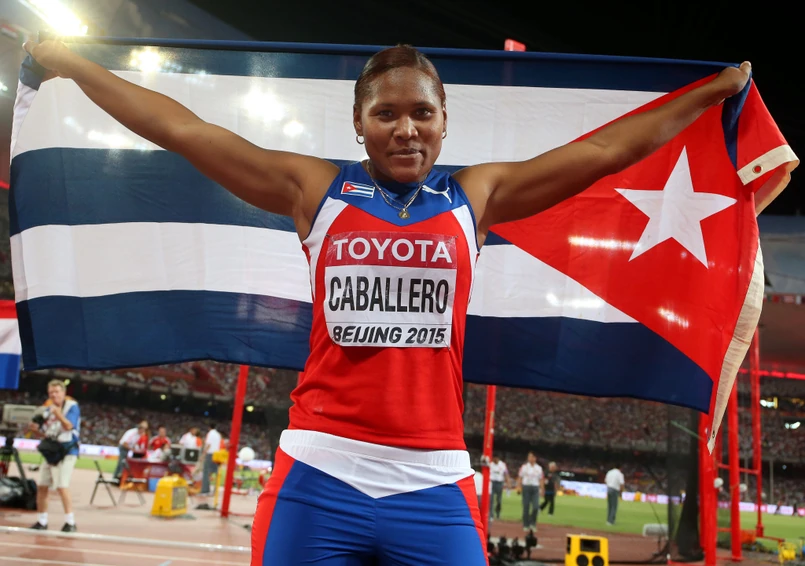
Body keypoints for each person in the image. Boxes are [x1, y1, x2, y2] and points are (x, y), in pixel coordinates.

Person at [23, 39, 751, 565]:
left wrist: (711, 92)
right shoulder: (317, 190)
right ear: (359, 122)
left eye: (422, 113)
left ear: (444, 120)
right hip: (319, 471)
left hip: (433, 479)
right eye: (386, 113)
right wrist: (73, 63)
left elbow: (603, 154)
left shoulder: (474, 196)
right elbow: (183, 131)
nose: (406, 128)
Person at [28, 380, 80, 532]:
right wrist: (35, 430)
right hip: (51, 451)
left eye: (57, 392)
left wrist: (58, 414)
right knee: (42, 485)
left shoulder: (72, 407)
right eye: (51, 392)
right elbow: (46, 434)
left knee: (62, 486)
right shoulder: (46, 410)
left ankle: (70, 522)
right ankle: (42, 521)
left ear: (64, 393)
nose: (54, 395)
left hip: (67, 451)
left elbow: (69, 426)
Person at [517, 452, 544, 532]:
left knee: (536, 507)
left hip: (535, 487)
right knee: (526, 506)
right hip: (526, 487)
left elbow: (541, 479)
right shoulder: (524, 467)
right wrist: (519, 487)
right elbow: (520, 477)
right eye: (529, 457)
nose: (530, 458)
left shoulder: (539, 468)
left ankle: (533, 523)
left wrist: (542, 489)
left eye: (532, 457)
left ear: (535, 458)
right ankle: (526, 524)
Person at [201, 423, 222, 495]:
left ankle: (205, 490)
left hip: (210, 453)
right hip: (217, 454)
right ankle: (215, 491)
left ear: (209, 427)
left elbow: (208, 444)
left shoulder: (210, 433)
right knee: (216, 472)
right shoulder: (218, 434)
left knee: (206, 472)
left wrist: (204, 453)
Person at [489, 455, 509, 521]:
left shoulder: (502, 465)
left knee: (499, 500)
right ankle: (491, 515)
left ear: (498, 458)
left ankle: (498, 513)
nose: (495, 460)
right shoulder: (490, 464)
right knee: (491, 500)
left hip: (499, 483)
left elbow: (506, 473)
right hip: (492, 482)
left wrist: (508, 482)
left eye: (496, 459)